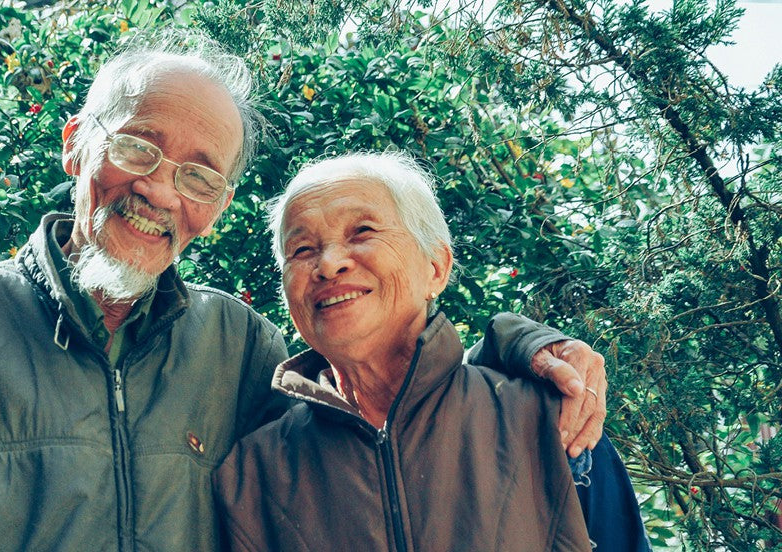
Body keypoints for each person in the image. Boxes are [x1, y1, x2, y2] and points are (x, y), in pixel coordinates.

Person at [0, 32, 609, 551]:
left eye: (197, 174)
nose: (159, 191)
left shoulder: (239, 346)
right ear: (76, 146)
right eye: (139, 148)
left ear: (217, 207)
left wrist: (521, 345)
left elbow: (384, 417)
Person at [213, 152, 649, 551]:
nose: (328, 264)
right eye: (302, 250)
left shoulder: (548, 419)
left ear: (436, 268)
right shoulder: (253, 473)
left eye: (362, 231)